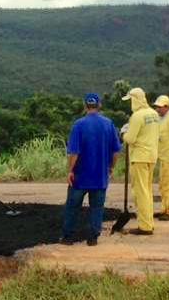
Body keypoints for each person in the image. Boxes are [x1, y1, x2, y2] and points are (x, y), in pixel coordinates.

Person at [61, 94, 120, 245]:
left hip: (80, 177)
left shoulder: (78, 125)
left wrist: (70, 170)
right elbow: (116, 152)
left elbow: (74, 152)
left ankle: (68, 237)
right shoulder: (108, 124)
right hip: (100, 176)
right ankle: (93, 238)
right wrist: (111, 168)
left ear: (85, 106)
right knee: (97, 208)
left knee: (73, 207)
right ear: (99, 105)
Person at [120, 87, 161, 235]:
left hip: (139, 157)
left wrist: (124, 132)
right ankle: (148, 222)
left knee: (140, 192)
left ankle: (145, 226)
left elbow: (130, 139)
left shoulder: (137, 116)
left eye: (130, 100)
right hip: (151, 156)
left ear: (135, 100)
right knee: (147, 191)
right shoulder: (154, 114)